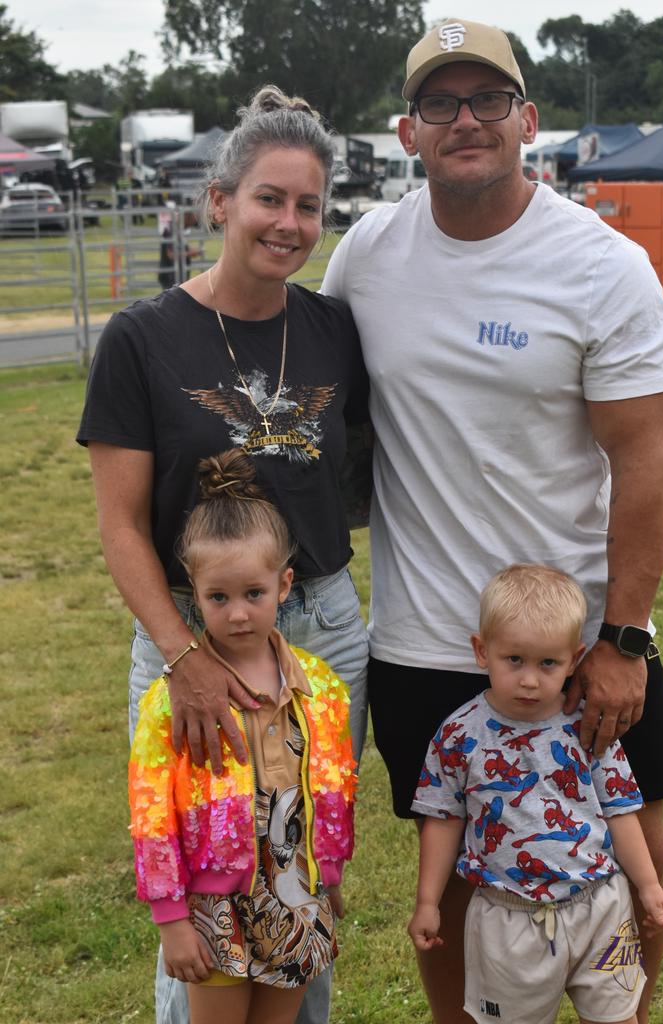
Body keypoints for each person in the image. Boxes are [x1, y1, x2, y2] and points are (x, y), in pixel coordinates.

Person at [322, 18, 663, 1024]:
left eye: (487, 100)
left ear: (528, 118)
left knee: (636, 848)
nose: (466, 119)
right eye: (441, 102)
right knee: (469, 884)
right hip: (430, 636)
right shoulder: (367, 256)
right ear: (407, 130)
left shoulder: (600, 265)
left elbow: (644, 462)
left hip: (580, 637)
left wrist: (623, 637)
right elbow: (314, 403)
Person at [78, 85, 369, 1024]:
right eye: (269, 199)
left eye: (309, 205)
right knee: (206, 892)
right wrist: (184, 656)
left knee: (300, 880)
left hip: (319, 629)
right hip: (191, 631)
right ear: (220, 202)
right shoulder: (142, 338)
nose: (289, 224)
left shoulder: (333, 329)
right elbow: (122, 525)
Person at [130, 448, 357, 1024]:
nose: (236, 614)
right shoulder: (172, 699)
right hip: (213, 905)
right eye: (218, 598)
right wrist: (171, 918)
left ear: (284, 585)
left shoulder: (320, 687)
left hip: (297, 892)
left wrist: (327, 871)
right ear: (194, 591)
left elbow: (333, 788)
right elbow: (152, 812)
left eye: (253, 594)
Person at [408, 564, 663, 1024]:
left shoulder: (590, 728)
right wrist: (428, 901)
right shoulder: (457, 736)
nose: (529, 679)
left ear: (574, 659)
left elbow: (620, 810)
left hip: (600, 907)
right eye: (514, 660)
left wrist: (648, 885)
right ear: (482, 651)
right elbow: (443, 818)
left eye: (547, 663)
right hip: (506, 917)